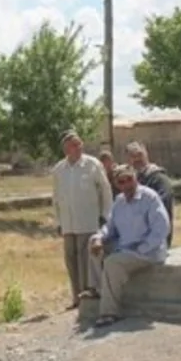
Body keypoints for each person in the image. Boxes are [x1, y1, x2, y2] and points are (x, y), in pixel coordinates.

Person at [87, 165, 170, 328]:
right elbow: (110, 228)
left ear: (135, 178)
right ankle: (99, 290)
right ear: (117, 184)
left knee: (112, 262)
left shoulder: (149, 198)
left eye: (129, 179)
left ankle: (108, 312)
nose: (126, 185)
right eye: (121, 182)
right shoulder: (119, 202)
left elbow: (162, 228)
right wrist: (99, 237)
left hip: (148, 251)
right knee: (93, 244)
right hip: (126, 249)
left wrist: (141, 249)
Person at [51, 130, 113, 310]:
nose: (79, 148)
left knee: (86, 259)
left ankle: (89, 293)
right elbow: (56, 198)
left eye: (80, 144)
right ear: (66, 148)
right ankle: (76, 297)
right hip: (69, 223)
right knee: (71, 260)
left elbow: (106, 191)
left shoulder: (92, 165)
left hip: (88, 221)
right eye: (74, 145)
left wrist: (105, 216)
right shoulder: (59, 169)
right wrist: (58, 222)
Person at [125, 141, 175, 248]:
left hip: (157, 238)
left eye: (139, 155)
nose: (137, 159)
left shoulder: (159, 179)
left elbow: (163, 203)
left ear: (146, 154)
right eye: (133, 156)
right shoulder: (132, 181)